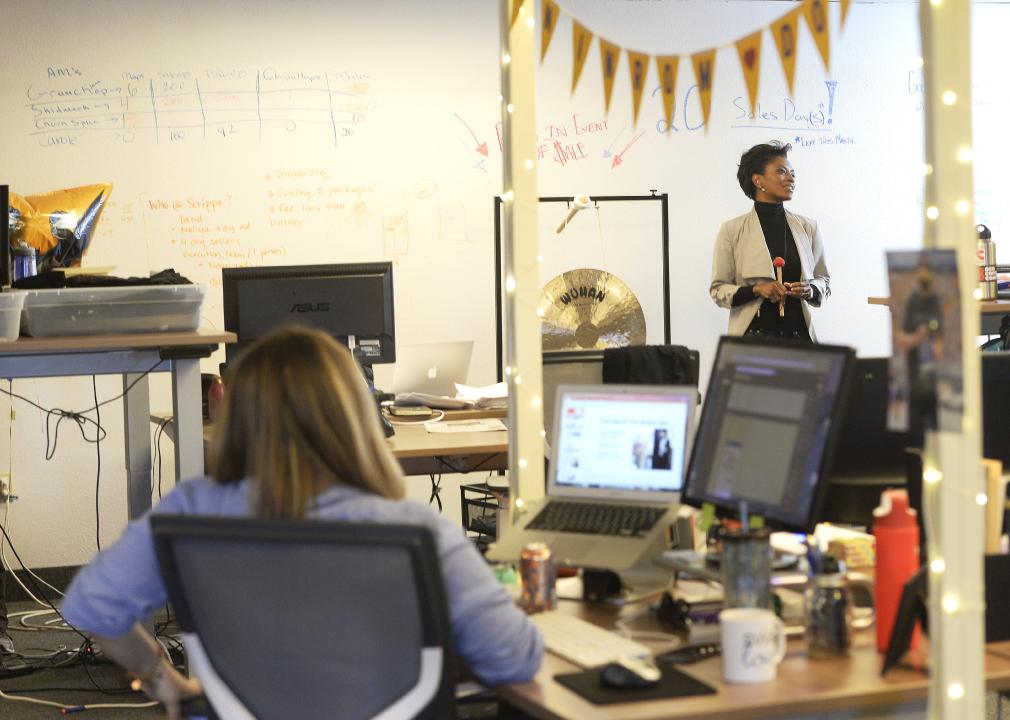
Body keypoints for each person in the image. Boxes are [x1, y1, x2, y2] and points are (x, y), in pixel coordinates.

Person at [61, 326, 544, 718]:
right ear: (356, 416)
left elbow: (89, 606)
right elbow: (513, 659)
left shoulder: (191, 511)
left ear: (234, 411)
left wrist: (161, 678)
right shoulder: (417, 530)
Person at [710, 141, 830, 341]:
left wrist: (811, 290)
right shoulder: (731, 230)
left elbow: (823, 280)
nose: (791, 178)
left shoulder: (809, 227)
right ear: (758, 181)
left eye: (793, 173)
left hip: (799, 339)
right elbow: (718, 289)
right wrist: (757, 289)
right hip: (752, 340)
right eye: (782, 171)